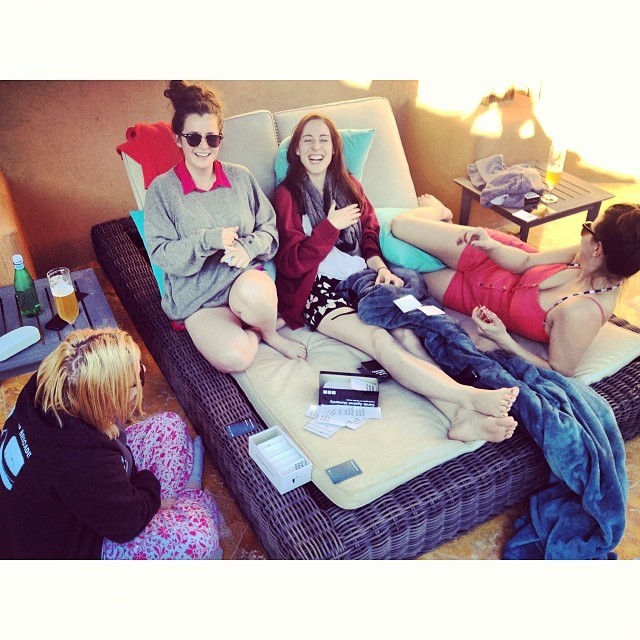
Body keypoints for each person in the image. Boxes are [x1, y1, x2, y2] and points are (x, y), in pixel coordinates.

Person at [273, 113, 520, 443]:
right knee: (380, 340)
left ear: (334, 149)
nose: (316, 147)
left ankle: (458, 416)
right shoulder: (287, 195)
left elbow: (370, 234)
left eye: (323, 140)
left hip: (361, 278)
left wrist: (381, 269)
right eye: (308, 140)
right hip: (318, 291)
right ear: (297, 150)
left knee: (406, 335)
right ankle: (467, 398)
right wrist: (330, 226)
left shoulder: (349, 186)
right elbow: (290, 263)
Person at [0, 328, 221, 560]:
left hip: (55, 510)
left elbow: (89, 474)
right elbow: (126, 525)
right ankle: (187, 500)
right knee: (199, 540)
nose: (143, 374)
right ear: (106, 398)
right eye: (137, 379)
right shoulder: (80, 460)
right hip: (67, 548)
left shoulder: (46, 385)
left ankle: (169, 505)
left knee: (169, 425)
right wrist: (149, 487)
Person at [144, 80, 306, 373]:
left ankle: (270, 333)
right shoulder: (162, 190)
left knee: (255, 295)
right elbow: (162, 254)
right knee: (234, 359)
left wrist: (248, 248)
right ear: (178, 139)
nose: (203, 146)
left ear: (220, 138)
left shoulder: (240, 178)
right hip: (200, 300)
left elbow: (270, 229)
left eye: (212, 138)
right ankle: (255, 333)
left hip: (244, 283)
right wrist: (208, 240)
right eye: (193, 138)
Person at [390, 199, 640, 375]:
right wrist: (491, 245)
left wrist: (503, 339)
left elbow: (559, 370)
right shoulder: (585, 256)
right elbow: (526, 261)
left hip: (471, 297)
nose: (583, 233)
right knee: (400, 225)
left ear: (598, 249)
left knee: (396, 265)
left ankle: (446, 224)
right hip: (493, 257)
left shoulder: (582, 312)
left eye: (588, 228)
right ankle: (439, 211)